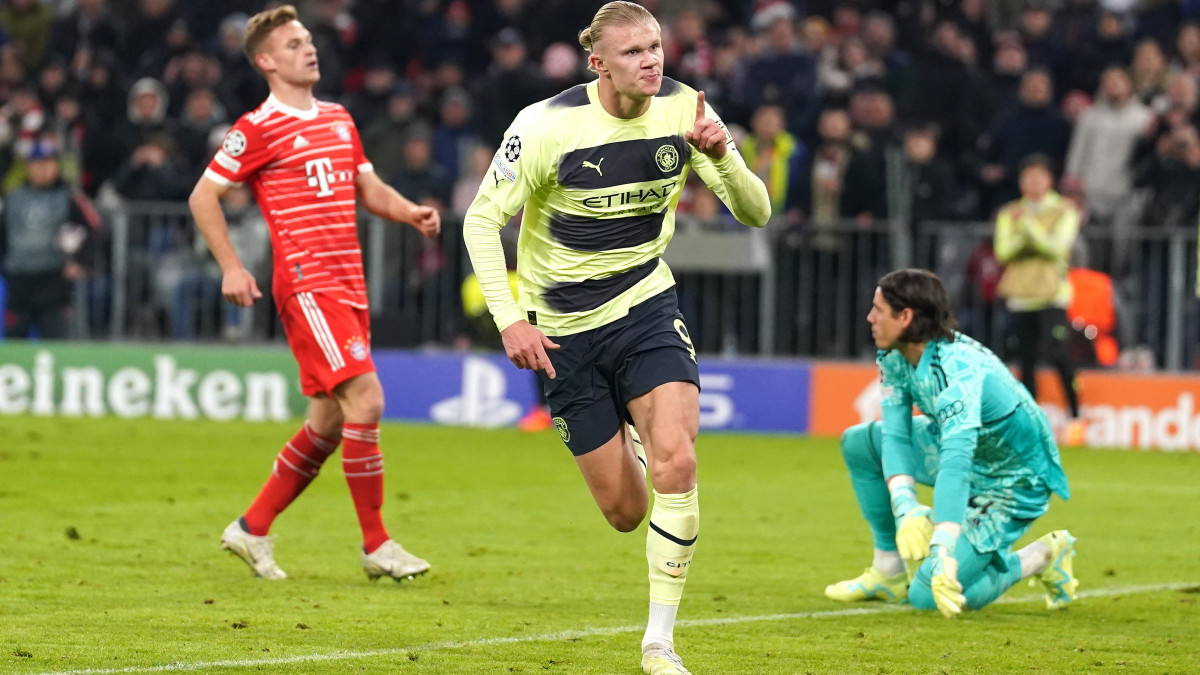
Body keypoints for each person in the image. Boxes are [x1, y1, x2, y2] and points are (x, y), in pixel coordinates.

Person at [462, 3, 770, 673]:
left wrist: (723, 156)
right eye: (632, 52)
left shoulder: (686, 111)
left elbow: (756, 212)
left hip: (644, 306)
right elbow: (482, 221)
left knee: (677, 462)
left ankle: (658, 640)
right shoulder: (546, 126)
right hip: (562, 332)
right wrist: (509, 317)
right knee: (626, 511)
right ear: (598, 63)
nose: (651, 60)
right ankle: (627, 432)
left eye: (655, 46)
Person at [188, 5, 441, 582]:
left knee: (328, 423)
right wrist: (231, 266)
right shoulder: (257, 127)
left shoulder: (339, 118)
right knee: (368, 401)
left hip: (348, 285)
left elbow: (367, 186)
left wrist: (410, 213)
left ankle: (251, 528)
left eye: (310, 40)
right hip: (307, 284)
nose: (310, 49)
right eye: (295, 43)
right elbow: (204, 197)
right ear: (266, 61)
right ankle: (377, 545)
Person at [825, 269, 1077, 619]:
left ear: (906, 316)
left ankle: (1040, 557)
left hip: (1014, 481)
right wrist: (906, 506)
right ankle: (887, 572)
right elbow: (895, 436)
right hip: (965, 453)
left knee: (928, 595)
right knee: (860, 442)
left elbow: (955, 466)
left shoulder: (957, 372)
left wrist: (941, 548)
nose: (870, 317)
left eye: (878, 309)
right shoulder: (894, 356)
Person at [994, 155, 1084, 445]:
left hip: (1052, 293)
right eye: (1027, 178)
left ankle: (1075, 417)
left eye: (1038, 177)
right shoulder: (1009, 212)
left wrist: (1029, 228)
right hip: (1020, 294)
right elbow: (1003, 252)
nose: (1032, 184)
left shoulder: (1064, 210)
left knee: (1059, 354)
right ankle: (1030, 427)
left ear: (1050, 180)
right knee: (1026, 361)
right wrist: (1034, 240)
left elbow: (1057, 248)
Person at [0, 140, 99, 339]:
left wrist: (80, 261)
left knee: (55, 343)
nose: (41, 170)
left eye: (47, 164)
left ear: (56, 166)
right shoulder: (13, 198)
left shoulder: (69, 198)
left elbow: (92, 231)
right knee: (14, 345)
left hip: (53, 281)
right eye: (36, 164)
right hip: (18, 279)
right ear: (28, 168)